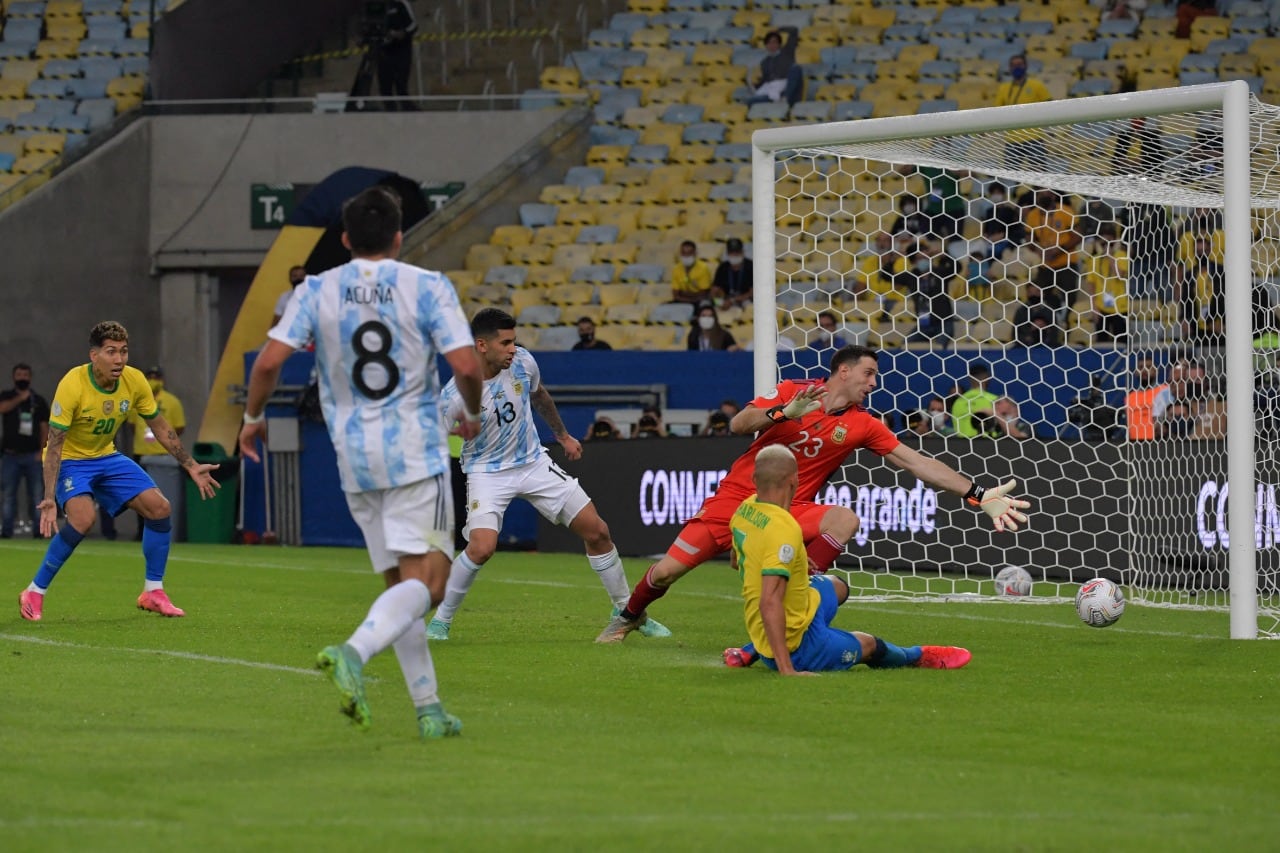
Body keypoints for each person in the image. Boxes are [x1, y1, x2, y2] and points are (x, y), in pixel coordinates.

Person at [240, 186, 485, 740]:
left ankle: (428, 709)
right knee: (434, 585)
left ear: (345, 239)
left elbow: (269, 362)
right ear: (399, 237)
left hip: (353, 456)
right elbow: (467, 364)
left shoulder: (316, 289)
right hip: (416, 452)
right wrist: (469, 411)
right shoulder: (426, 285)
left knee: (400, 586)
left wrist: (252, 418)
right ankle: (352, 651)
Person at [596, 345, 1030, 642]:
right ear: (844, 371)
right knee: (665, 573)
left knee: (844, 519)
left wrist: (977, 493)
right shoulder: (793, 391)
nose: (873, 382)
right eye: (868, 373)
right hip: (734, 501)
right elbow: (738, 424)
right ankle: (630, 616)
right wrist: (784, 413)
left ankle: (800, 594)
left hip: (790, 509)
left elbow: (918, 462)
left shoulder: (863, 423)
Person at [428, 309, 670, 641]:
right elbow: (440, 434)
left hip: (532, 463)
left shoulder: (523, 362)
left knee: (597, 531)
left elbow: (540, 396)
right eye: (506, 343)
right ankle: (440, 621)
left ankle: (625, 611)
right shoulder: (455, 393)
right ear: (482, 346)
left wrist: (562, 435)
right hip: (487, 473)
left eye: (514, 341)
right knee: (482, 548)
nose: (513, 348)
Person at [18, 322, 220, 622]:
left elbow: (160, 426)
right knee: (84, 520)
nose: (119, 359)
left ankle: (153, 591)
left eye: (123, 351)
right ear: (94, 355)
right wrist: (49, 498)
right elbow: (56, 444)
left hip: (106, 457)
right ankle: (35, 590)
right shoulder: (72, 384)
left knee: (160, 508)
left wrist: (190, 465)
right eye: (111, 352)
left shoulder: (134, 380)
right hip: (71, 460)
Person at [720, 445, 971, 673]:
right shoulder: (784, 530)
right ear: (795, 480)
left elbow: (737, 560)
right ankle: (916, 656)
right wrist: (788, 671)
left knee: (838, 586)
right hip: (798, 646)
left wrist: (794, 561)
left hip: (801, 603)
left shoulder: (746, 508)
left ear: (754, 480)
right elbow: (769, 602)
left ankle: (749, 649)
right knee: (869, 644)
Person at [0, 362, 50, 539]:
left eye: (25, 375)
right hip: (10, 455)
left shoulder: (38, 400)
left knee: (37, 495)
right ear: (14, 377)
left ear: (30, 377)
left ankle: (39, 531)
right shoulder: (6, 396)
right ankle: (6, 531)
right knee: (8, 496)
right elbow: (2, 408)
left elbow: (45, 428)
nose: (22, 378)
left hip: (32, 456)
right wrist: (19, 399)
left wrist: (41, 452)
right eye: (19, 375)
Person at [994, 54, 1051, 168]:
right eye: (1013, 65)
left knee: (1039, 176)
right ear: (1009, 68)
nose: (1017, 68)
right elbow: (997, 111)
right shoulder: (1003, 88)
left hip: (1034, 137)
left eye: (1019, 64)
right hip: (1012, 140)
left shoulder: (1037, 85)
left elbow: (1050, 105)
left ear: (1026, 66)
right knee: (1011, 176)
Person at [376, 0, 417, 111]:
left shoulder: (401, 3)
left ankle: (410, 114)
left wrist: (402, 33)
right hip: (383, 52)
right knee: (385, 88)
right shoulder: (376, 5)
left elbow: (413, 26)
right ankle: (391, 115)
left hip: (401, 52)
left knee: (401, 86)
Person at [748, 27, 803, 107]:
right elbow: (765, 80)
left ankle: (785, 99)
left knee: (796, 69)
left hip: (788, 90)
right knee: (750, 101)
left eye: (774, 42)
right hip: (773, 93)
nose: (772, 45)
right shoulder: (765, 62)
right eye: (769, 43)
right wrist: (755, 85)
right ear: (766, 45)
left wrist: (779, 30)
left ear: (779, 44)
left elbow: (794, 31)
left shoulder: (787, 52)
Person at [951, 362, 1000, 438]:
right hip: (988, 445)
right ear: (987, 377)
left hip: (962, 445)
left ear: (970, 378)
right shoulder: (994, 400)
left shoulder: (958, 402)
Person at [1126, 356, 1165, 441]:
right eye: (1140, 367)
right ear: (1136, 372)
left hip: (1159, 445)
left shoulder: (1165, 391)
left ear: (1156, 371)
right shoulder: (1130, 396)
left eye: (1148, 367)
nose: (1144, 370)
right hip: (1135, 445)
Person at [711, 238, 753, 308]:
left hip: (745, 299)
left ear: (742, 252)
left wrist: (733, 300)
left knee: (748, 306)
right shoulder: (723, 267)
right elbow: (714, 290)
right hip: (726, 298)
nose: (734, 254)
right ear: (727, 253)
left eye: (737, 252)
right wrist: (718, 302)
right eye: (731, 252)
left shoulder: (751, 266)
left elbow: (753, 292)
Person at [671, 240, 713, 305]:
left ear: (695, 253)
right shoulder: (676, 269)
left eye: (689, 253)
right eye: (683, 253)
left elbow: (703, 294)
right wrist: (693, 295)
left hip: (698, 302)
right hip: (681, 301)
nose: (686, 256)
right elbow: (676, 295)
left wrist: (683, 293)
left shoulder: (703, 268)